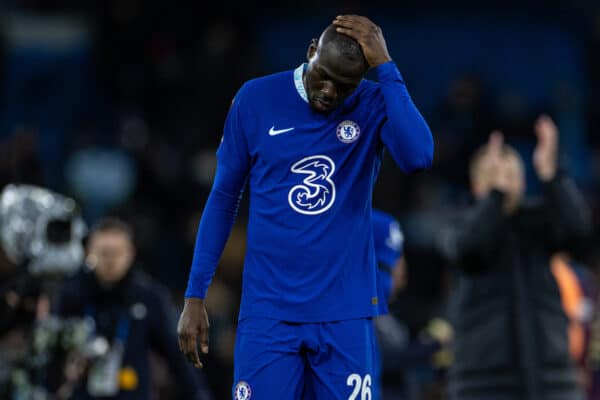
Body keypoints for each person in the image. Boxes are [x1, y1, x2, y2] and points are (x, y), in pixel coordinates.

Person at [178, 15, 434, 400]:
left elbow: (419, 156)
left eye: (344, 85)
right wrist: (195, 294)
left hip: (344, 312)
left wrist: (387, 67)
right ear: (311, 51)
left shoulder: (373, 102)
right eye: (323, 76)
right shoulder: (255, 99)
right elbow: (223, 197)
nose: (330, 92)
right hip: (269, 313)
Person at [437, 115, 592, 400]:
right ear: (476, 184)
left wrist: (552, 176)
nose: (505, 183)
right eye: (495, 175)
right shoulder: (457, 223)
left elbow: (578, 234)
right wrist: (494, 198)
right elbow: (470, 250)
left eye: (511, 175)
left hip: (553, 381)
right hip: (483, 386)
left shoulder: (538, 221)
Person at [54, 218, 213, 400]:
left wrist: (199, 394)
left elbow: (176, 355)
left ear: (131, 253)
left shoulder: (149, 297)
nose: (110, 261)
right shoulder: (70, 295)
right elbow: (51, 353)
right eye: (103, 253)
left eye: (117, 253)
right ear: (88, 252)